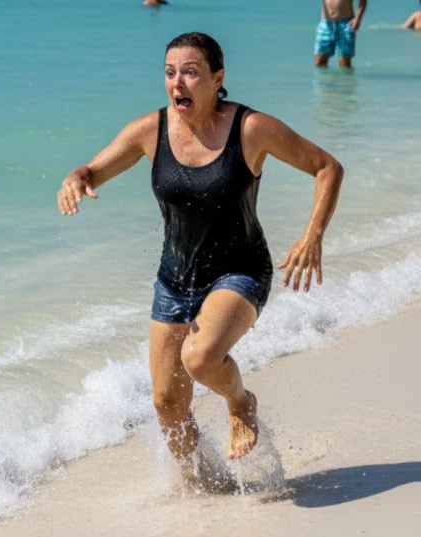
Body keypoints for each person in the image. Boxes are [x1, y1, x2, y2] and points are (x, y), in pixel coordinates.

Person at [56, 32, 344, 484]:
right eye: (170, 73)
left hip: (241, 271)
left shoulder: (250, 129)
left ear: (217, 78)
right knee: (166, 405)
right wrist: (74, 179)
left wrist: (313, 235)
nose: (178, 83)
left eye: (191, 72)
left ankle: (239, 403)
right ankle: (209, 487)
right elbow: (91, 170)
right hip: (174, 280)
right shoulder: (149, 131)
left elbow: (327, 166)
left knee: (201, 356)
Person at [315, 0, 368, 68]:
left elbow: (363, 1)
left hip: (345, 23)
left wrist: (357, 19)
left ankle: (346, 78)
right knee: (320, 62)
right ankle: (323, 78)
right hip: (326, 24)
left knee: (344, 63)